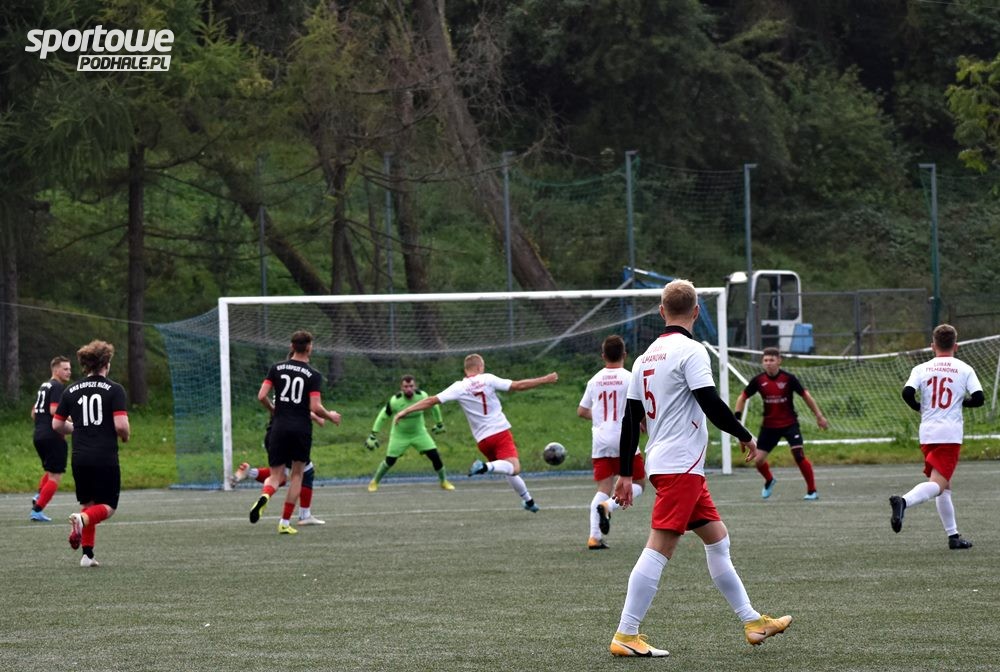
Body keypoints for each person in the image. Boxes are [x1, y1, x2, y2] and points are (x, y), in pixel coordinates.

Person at [609, 279, 791, 657]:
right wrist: (744, 434)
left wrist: (626, 473)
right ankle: (626, 633)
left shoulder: (643, 359)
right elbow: (710, 402)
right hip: (680, 465)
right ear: (696, 312)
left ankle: (752, 621)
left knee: (717, 538)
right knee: (660, 546)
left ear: (662, 311)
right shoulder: (691, 350)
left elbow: (630, 421)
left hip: (668, 463)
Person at [393, 354, 557, 512]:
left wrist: (405, 411)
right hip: (500, 433)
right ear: (480, 367)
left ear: (466, 370)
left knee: (506, 469)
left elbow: (431, 400)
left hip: (483, 441)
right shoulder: (488, 379)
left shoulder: (459, 387)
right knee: (514, 468)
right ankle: (484, 467)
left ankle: (529, 501)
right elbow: (517, 386)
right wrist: (545, 379)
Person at [889, 324, 983, 549]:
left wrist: (919, 407)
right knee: (938, 484)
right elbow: (979, 398)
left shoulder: (921, 368)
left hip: (927, 432)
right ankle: (903, 501)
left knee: (944, 485)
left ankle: (953, 536)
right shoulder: (964, 368)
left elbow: (907, 393)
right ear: (955, 346)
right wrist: (961, 402)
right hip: (949, 434)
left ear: (933, 346)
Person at [249, 330, 341, 534]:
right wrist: (330, 416)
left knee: (275, 476)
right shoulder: (313, 375)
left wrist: (274, 410)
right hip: (301, 429)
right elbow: (315, 407)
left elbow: (261, 395)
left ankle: (265, 495)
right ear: (309, 347)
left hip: (278, 427)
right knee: (297, 475)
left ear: (291, 346)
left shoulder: (276, 368)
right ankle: (284, 522)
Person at [51, 341, 130, 568]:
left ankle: (87, 555)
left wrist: (77, 428)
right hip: (104, 457)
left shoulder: (70, 390)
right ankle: (81, 520)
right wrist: (125, 435)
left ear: (85, 364)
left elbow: (57, 425)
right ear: (106, 363)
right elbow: (121, 425)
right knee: (108, 507)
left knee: (89, 503)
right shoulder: (115, 389)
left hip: (80, 457)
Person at [733, 347, 828, 500]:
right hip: (769, 426)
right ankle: (769, 480)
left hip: (790, 424)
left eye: (771, 360)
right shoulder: (758, 380)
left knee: (798, 455)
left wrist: (819, 416)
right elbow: (742, 397)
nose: (768, 363)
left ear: (779, 361)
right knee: (758, 460)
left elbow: (806, 396)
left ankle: (812, 491)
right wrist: (737, 420)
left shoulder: (789, 378)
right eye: (765, 360)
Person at [577, 335, 645, 550]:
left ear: (603, 355)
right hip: (624, 438)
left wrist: (600, 417)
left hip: (601, 441)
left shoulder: (594, 380)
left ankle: (594, 537)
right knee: (639, 483)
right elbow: (639, 407)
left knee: (603, 487)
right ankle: (608, 506)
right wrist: (642, 423)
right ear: (625, 354)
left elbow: (581, 411)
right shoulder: (630, 378)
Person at [233, 412, 328, 526]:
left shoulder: (276, 399)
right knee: (305, 472)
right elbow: (300, 407)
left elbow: (267, 401)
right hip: (291, 433)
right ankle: (302, 516)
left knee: (279, 476)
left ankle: (251, 474)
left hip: (273, 434)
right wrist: (322, 417)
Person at [365, 375, 454, 492]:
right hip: (399, 435)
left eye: (411, 386)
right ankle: (374, 481)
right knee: (390, 460)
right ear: (401, 388)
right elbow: (383, 416)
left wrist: (439, 423)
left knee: (435, 456)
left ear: (415, 386)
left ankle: (444, 481)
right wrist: (373, 434)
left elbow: (434, 406)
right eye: (406, 386)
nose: (409, 389)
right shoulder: (395, 401)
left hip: (419, 433)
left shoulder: (422, 396)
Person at [29, 355, 73, 522]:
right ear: (55, 370)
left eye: (69, 369)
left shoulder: (44, 386)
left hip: (39, 435)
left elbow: (34, 413)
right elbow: (55, 410)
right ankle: (37, 510)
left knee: (50, 471)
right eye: (65, 369)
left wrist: (42, 425)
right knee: (56, 476)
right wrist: (74, 420)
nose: (69, 372)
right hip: (53, 436)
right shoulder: (57, 386)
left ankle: (38, 496)